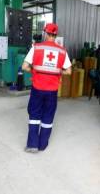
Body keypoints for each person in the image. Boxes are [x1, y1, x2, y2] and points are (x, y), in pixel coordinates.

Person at [22, 23, 72, 153]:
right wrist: (57, 72)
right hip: (52, 90)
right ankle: (42, 145)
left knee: (34, 114)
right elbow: (69, 71)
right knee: (48, 115)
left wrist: (34, 70)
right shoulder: (62, 51)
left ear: (45, 33)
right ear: (55, 35)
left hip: (37, 88)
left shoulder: (36, 48)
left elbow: (24, 67)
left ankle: (32, 145)